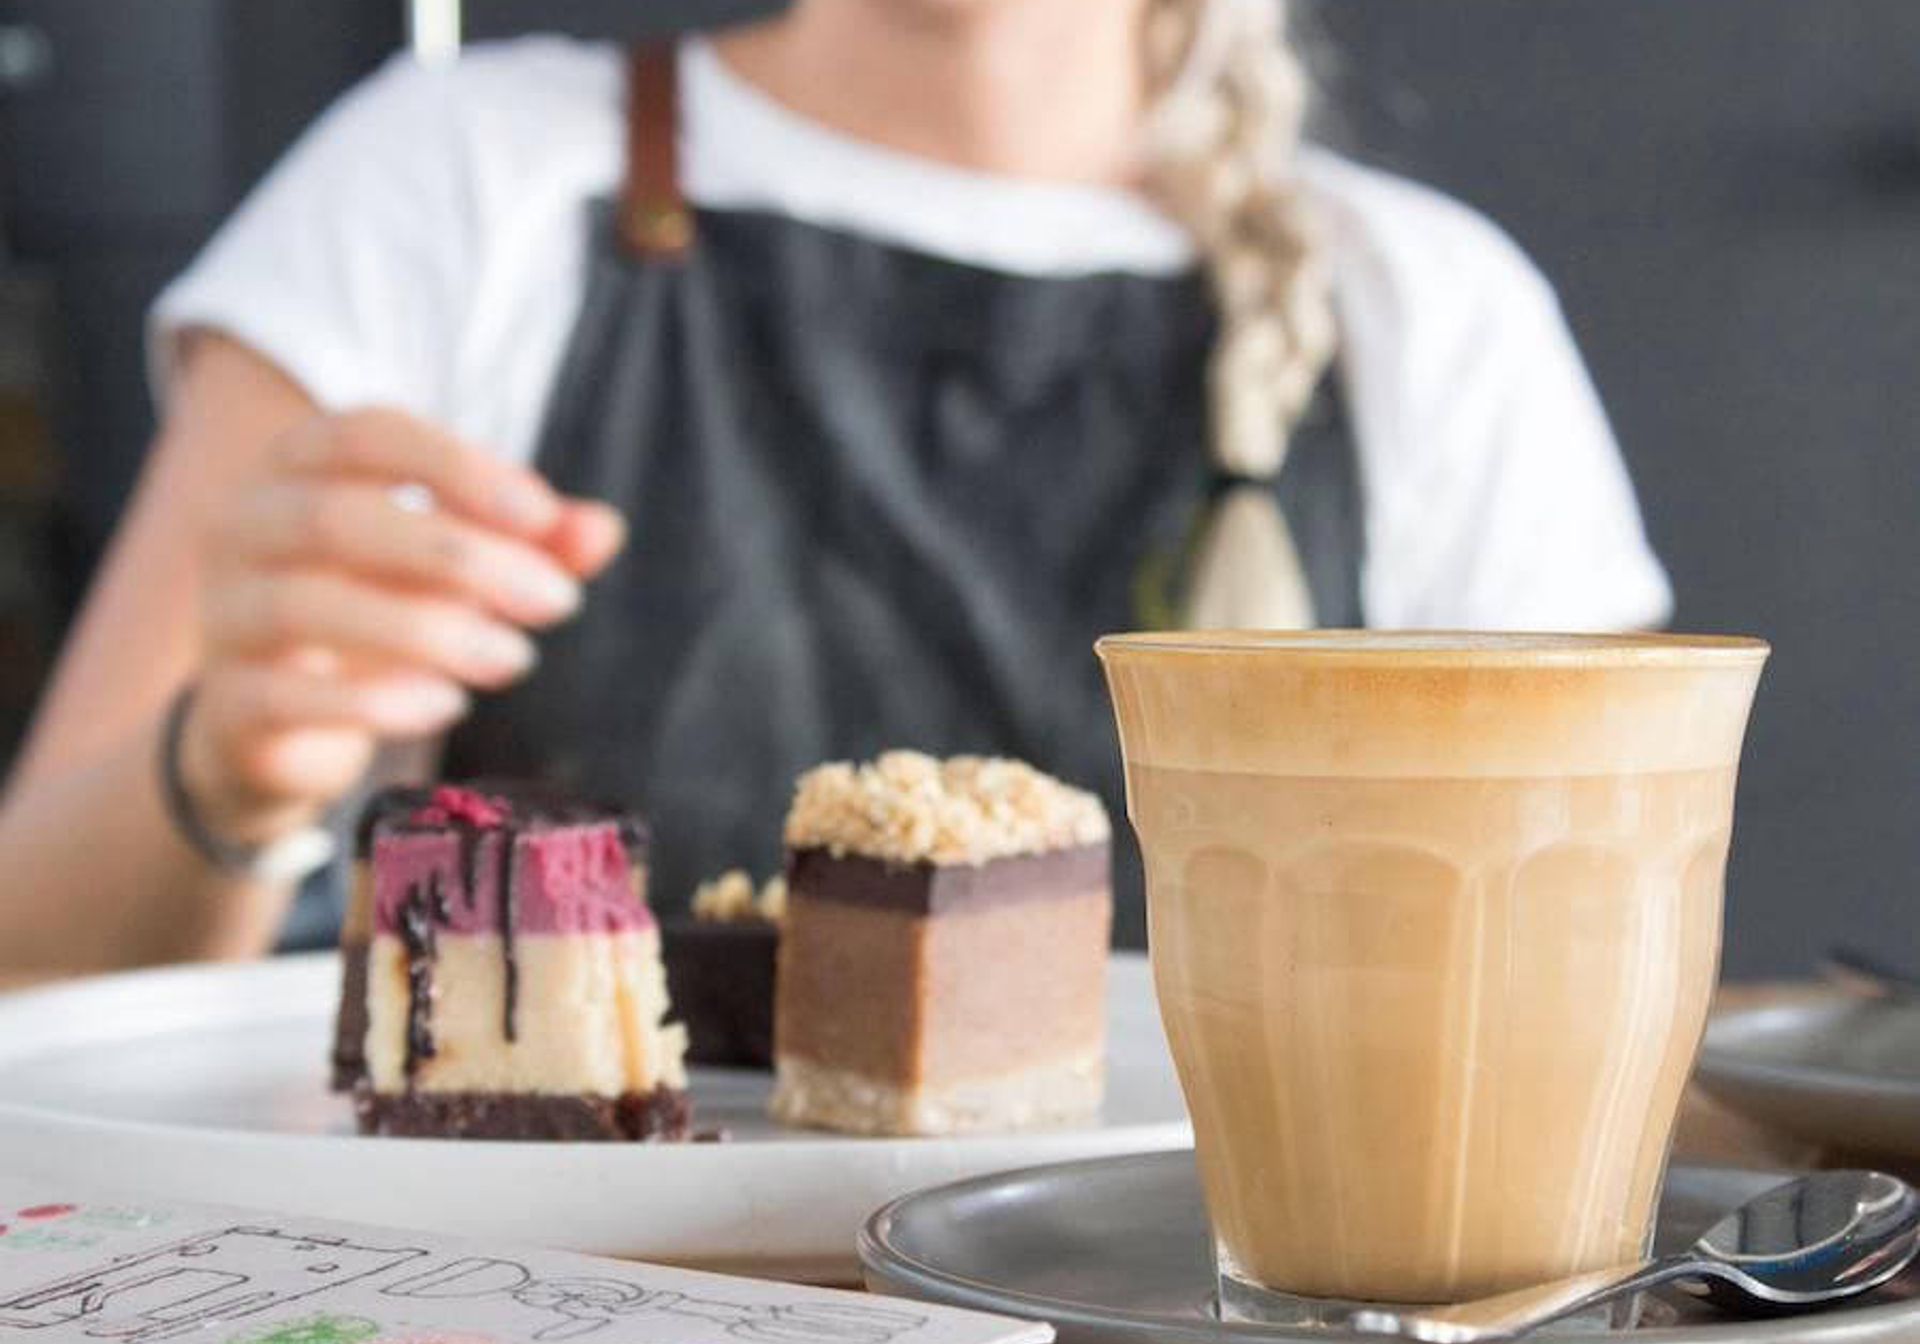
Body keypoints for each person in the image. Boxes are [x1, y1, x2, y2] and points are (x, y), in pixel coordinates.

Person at [0, 0, 1671, 968]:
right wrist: (229, 774)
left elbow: (1593, 992)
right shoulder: (455, 178)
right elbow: (34, 969)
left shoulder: (1428, 311)